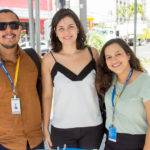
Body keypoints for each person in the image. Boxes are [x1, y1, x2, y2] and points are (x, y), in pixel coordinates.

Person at [42, 8, 104, 149]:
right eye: (61, 28)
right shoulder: (48, 60)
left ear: (78, 28)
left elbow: (102, 87)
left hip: (92, 127)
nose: (66, 32)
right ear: (55, 32)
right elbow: (46, 96)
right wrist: (45, 127)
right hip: (62, 129)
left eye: (71, 27)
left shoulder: (92, 53)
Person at [0, 9, 44, 150]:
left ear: (20, 29)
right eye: (1, 26)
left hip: (36, 141)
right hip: (5, 143)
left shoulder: (33, 58)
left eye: (13, 25)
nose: (8, 30)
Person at [96, 38, 150, 150]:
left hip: (136, 143)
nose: (114, 60)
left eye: (118, 54)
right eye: (108, 57)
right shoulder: (110, 80)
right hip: (111, 142)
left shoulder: (145, 81)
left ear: (128, 55)